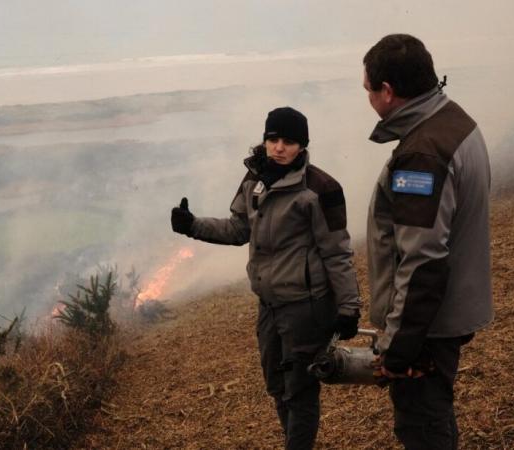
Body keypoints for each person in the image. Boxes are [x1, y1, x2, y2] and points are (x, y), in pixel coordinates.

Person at [170, 106, 362, 449]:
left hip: (306, 307)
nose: (279, 147)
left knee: (300, 390)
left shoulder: (321, 188)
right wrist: (193, 225)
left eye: (289, 141)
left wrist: (349, 306)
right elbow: (238, 228)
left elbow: (337, 251)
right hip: (269, 306)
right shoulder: (254, 179)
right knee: (277, 386)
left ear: (302, 146)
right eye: (273, 139)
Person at [362, 34, 493, 449]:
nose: (367, 98)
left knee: (422, 426)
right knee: (435, 416)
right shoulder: (453, 119)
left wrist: (398, 349)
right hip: (442, 315)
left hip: (427, 326)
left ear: (388, 91)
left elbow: (422, 261)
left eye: (368, 89)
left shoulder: (422, 154)